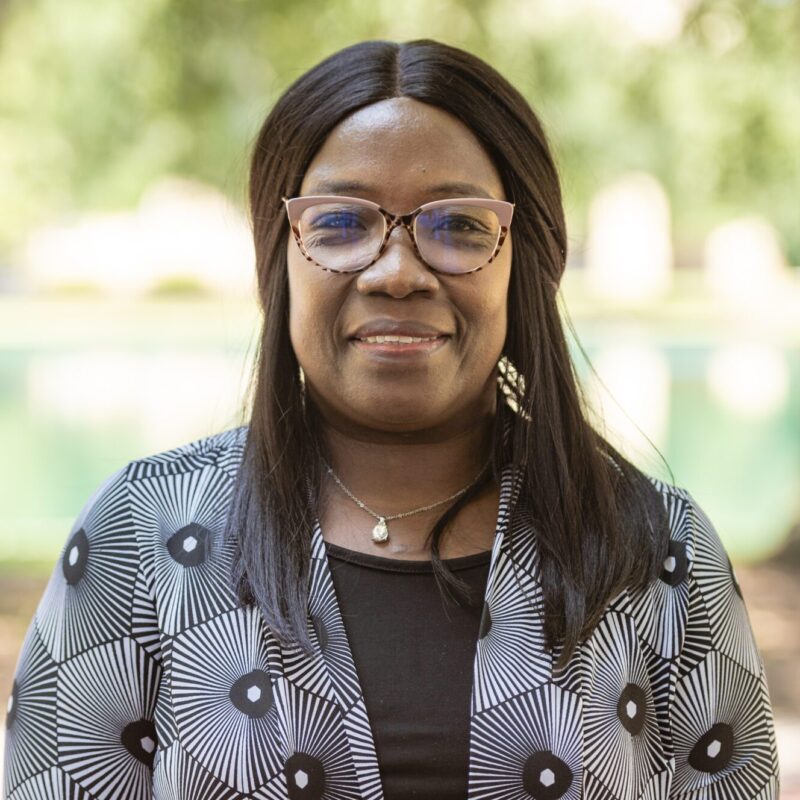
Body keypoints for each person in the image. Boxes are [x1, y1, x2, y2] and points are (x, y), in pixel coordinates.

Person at [3, 39, 779, 800]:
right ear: (279, 260)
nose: (398, 273)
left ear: (525, 262)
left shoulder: (660, 553)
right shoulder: (142, 537)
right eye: (341, 223)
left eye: (459, 225)